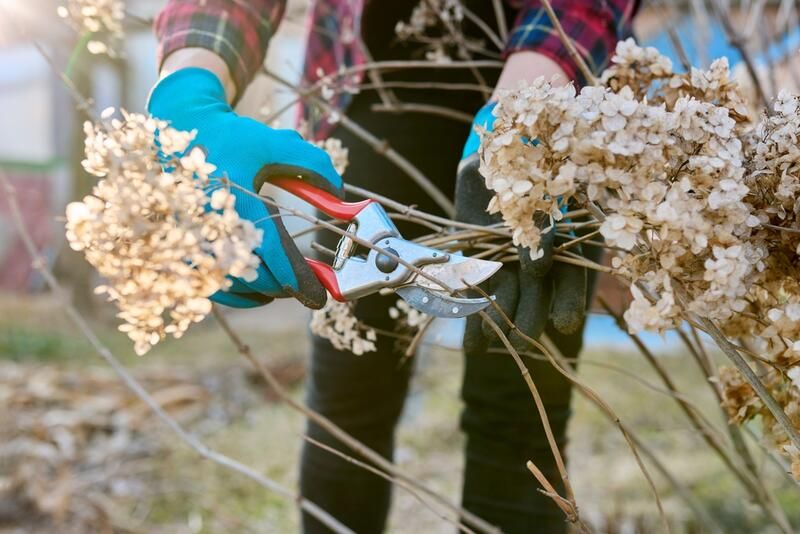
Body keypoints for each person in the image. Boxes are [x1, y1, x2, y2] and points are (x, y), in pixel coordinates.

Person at [148, 1, 637, 532]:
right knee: (350, 403)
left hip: (551, 95)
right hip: (376, 80)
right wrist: (187, 92)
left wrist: (528, 106)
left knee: (520, 408)